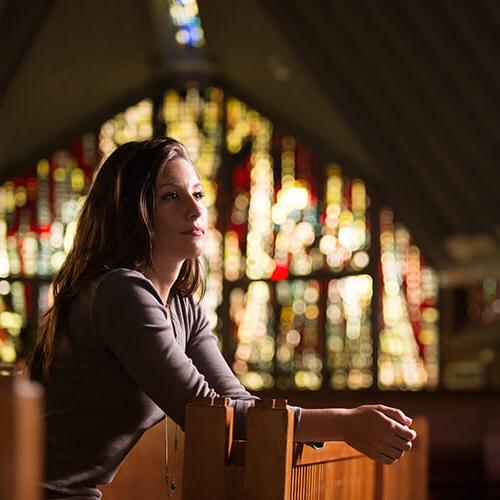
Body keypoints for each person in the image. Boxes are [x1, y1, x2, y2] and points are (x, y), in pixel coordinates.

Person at [26, 138, 416, 499]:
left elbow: (233, 402)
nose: (195, 209)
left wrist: (340, 424)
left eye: (197, 194)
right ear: (133, 211)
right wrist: (343, 423)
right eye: (171, 196)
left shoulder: (182, 307)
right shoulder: (120, 292)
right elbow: (202, 410)